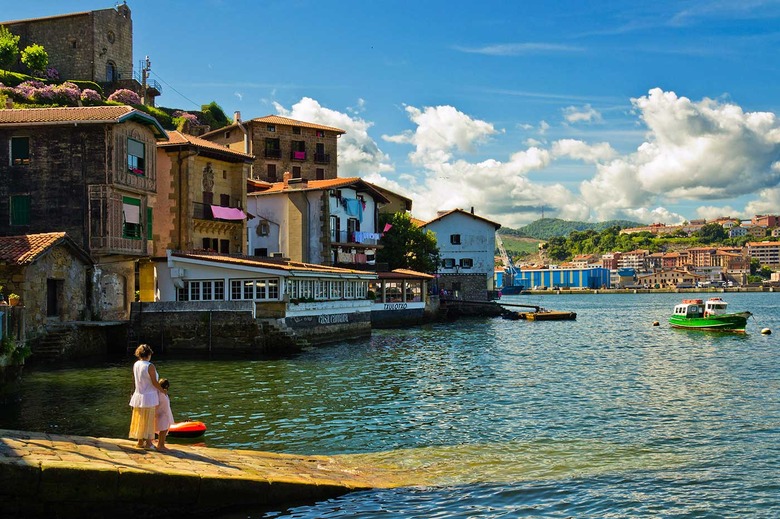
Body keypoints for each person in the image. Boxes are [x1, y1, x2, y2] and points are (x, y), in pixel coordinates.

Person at [128, 344, 164, 449]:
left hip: (138, 394)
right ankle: (148, 443)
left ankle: (140, 442)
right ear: (148, 354)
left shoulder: (136, 364)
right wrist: (163, 391)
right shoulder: (149, 366)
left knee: (140, 419)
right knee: (149, 420)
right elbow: (154, 382)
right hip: (149, 396)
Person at [154, 378, 174, 451]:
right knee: (163, 430)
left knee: (162, 430)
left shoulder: (157, 393)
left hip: (160, 413)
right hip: (163, 414)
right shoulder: (163, 394)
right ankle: (161, 445)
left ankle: (161, 444)